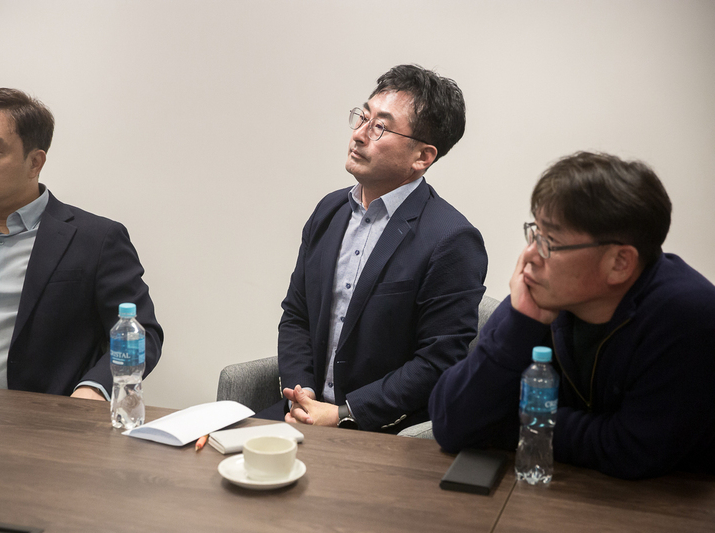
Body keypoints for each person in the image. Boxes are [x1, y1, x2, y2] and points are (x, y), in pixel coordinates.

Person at [429, 151, 715, 479]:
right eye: (534, 233)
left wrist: (513, 424)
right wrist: (519, 327)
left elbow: (633, 449)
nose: (530, 256)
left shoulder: (689, 316)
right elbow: (452, 423)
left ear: (620, 262)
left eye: (551, 241)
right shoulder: (543, 299)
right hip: (554, 491)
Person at [260, 65, 487, 432]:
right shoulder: (329, 212)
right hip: (307, 414)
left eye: (380, 126)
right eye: (362, 118)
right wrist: (303, 397)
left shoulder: (451, 239)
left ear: (422, 157)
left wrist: (342, 413)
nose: (360, 135)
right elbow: (297, 315)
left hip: (382, 430)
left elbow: (436, 362)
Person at [0, 88, 163, 400]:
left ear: (35, 163)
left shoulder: (96, 240)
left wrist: (95, 388)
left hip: (39, 424)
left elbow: (144, 334)